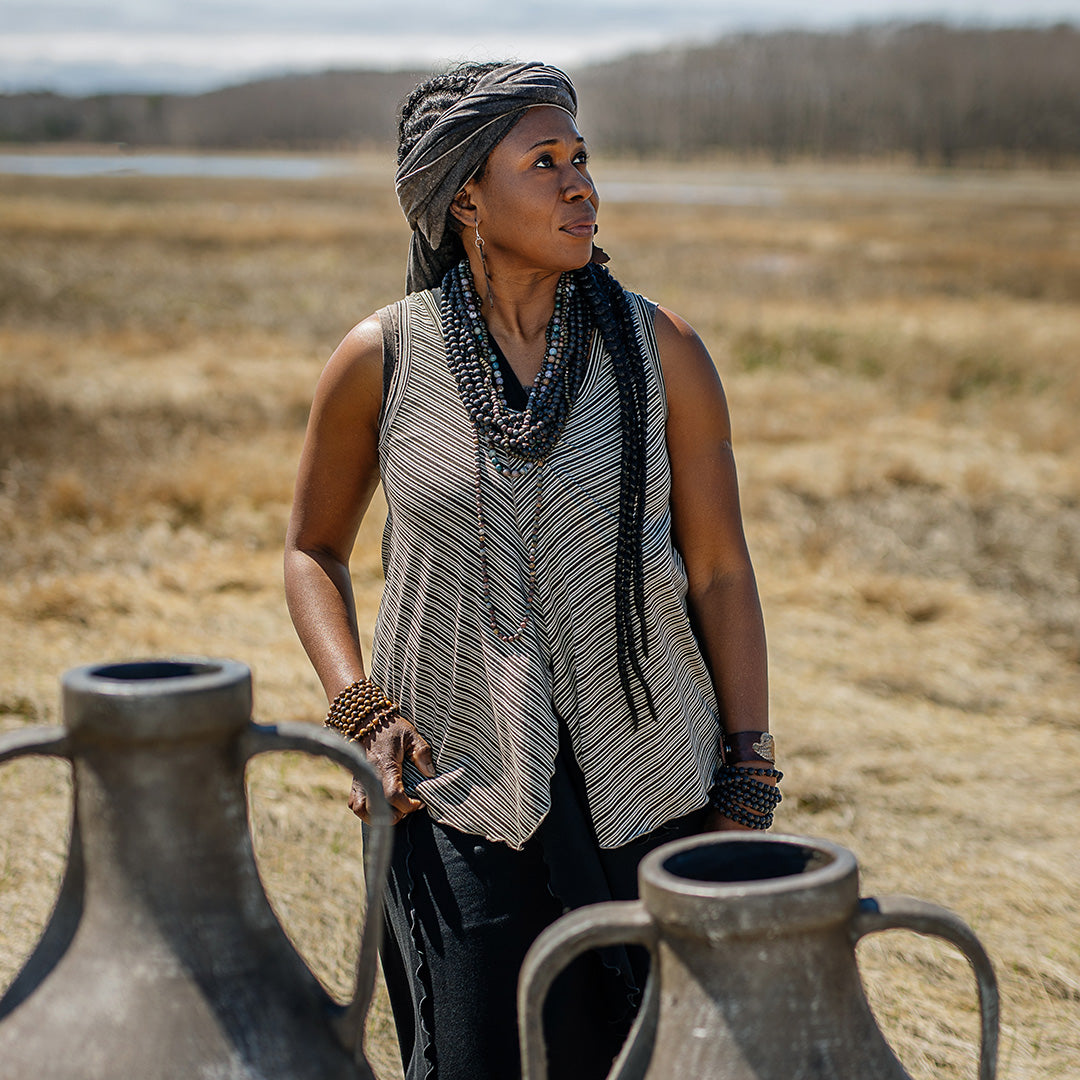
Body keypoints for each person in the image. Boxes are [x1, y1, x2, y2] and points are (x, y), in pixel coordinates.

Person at [284, 61, 779, 1080]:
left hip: (657, 791)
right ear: (464, 196)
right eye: (544, 162)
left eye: (583, 159)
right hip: (456, 797)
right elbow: (309, 553)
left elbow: (723, 571)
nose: (580, 185)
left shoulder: (662, 350)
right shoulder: (382, 359)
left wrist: (749, 768)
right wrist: (361, 711)